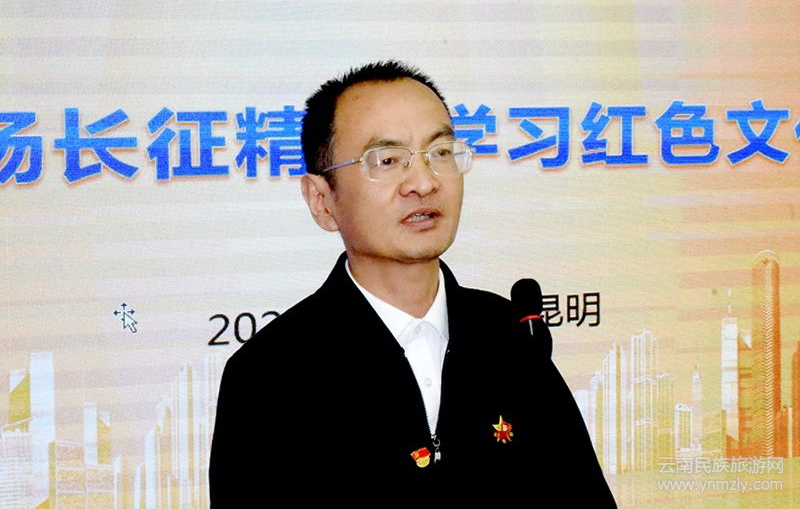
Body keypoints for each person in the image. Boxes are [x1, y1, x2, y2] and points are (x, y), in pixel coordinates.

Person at [209, 60, 616, 505]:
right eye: (387, 160)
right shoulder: (269, 376)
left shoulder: (510, 338)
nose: (423, 182)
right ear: (322, 200)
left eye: (440, 153)